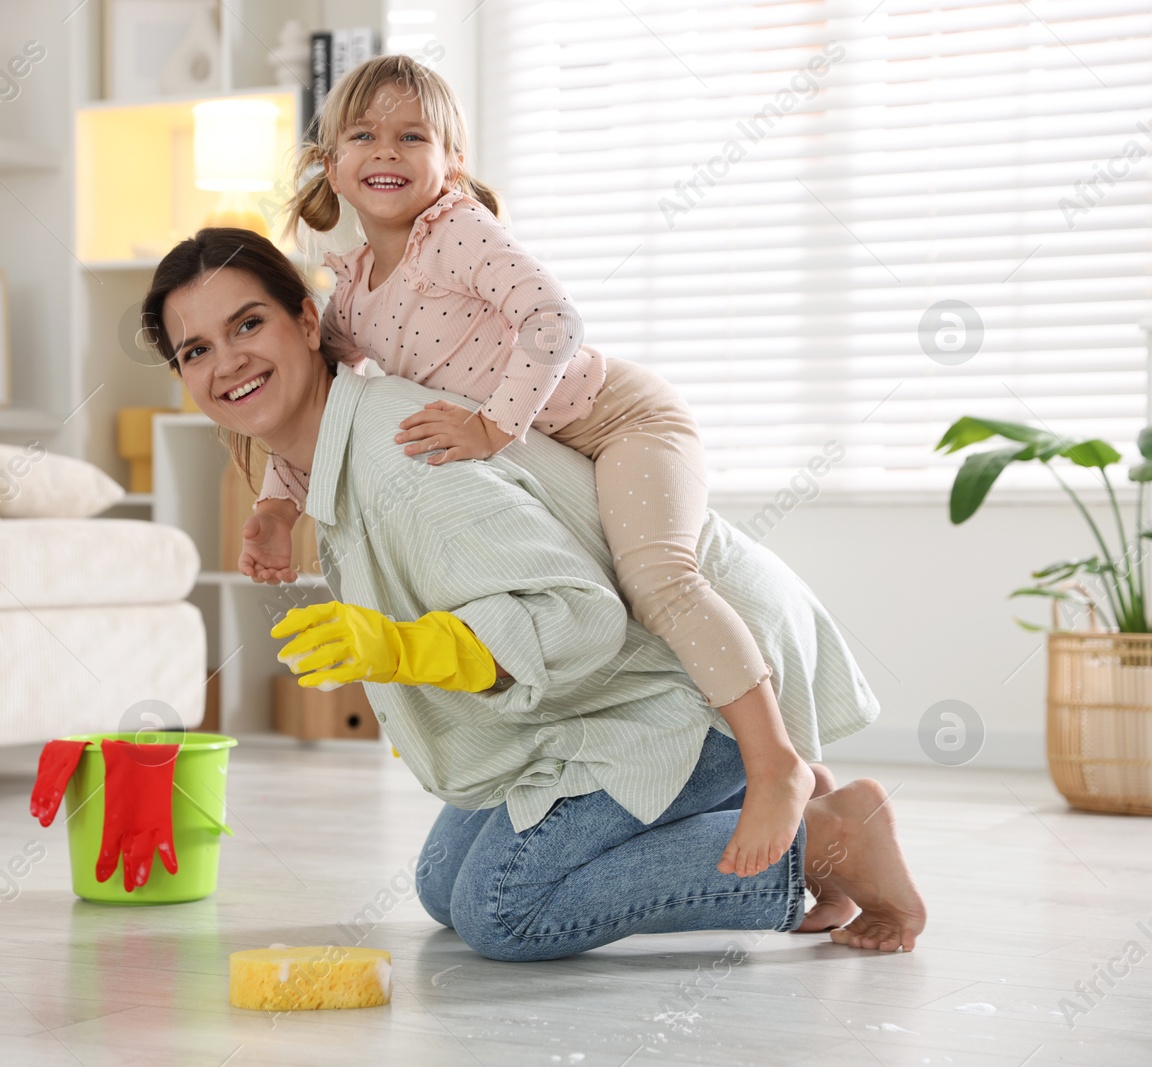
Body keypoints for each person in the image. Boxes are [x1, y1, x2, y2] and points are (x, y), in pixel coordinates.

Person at [141, 228, 927, 959]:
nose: (229, 362)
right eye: (197, 350)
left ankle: (824, 843)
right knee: (443, 887)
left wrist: (413, 649)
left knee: (502, 908)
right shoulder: (336, 453)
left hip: (691, 690)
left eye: (249, 325)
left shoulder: (398, 461)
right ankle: (785, 808)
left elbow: (585, 618)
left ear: (307, 322)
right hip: (609, 700)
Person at [239, 53, 811, 881]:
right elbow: (325, 401)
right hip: (554, 451)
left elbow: (555, 320)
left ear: (452, 162)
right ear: (333, 165)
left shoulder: (458, 232)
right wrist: (276, 507)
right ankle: (821, 804)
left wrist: (490, 426)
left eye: (413, 135)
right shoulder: (356, 289)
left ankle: (776, 763)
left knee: (659, 579)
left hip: (620, 420)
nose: (387, 152)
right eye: (363, 136)